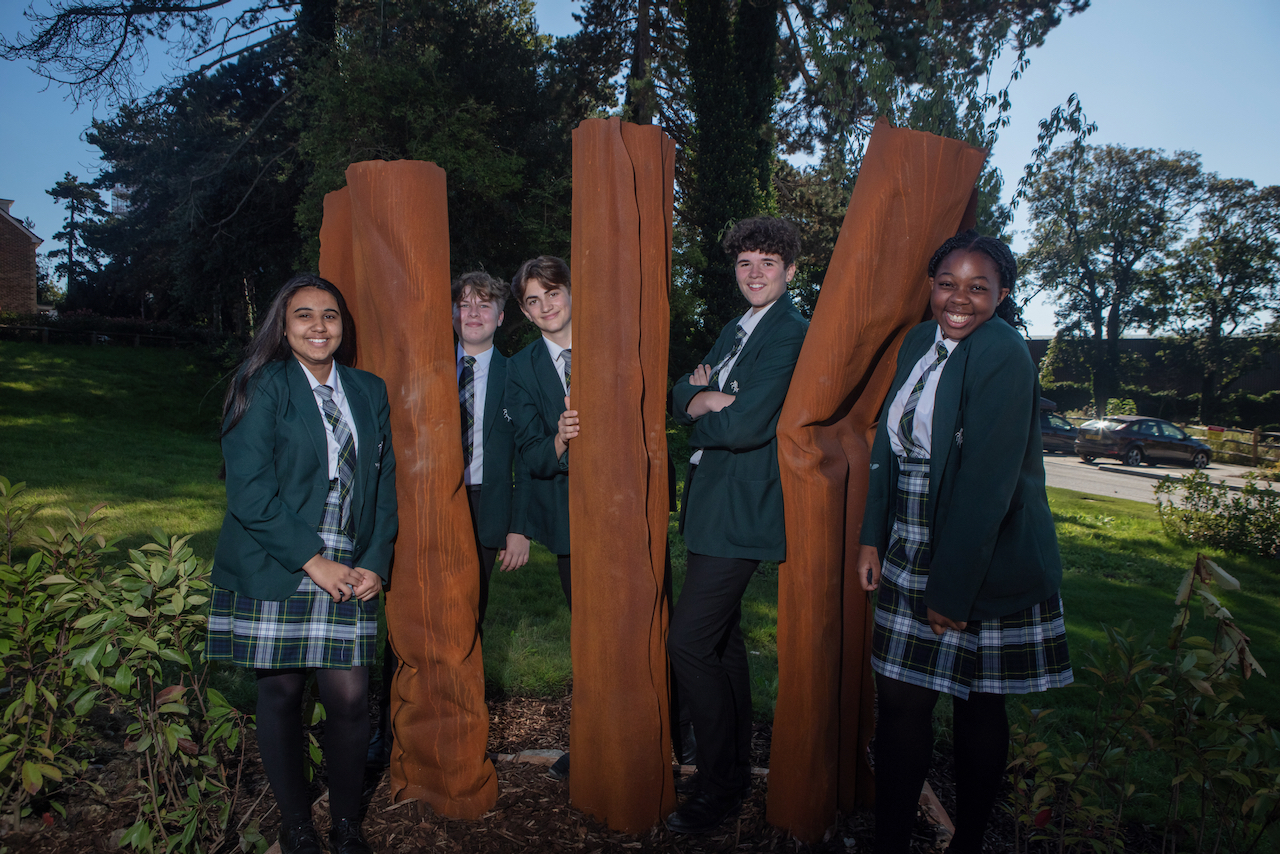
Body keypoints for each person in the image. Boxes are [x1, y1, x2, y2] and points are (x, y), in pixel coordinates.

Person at [856, 231, 1073, 853]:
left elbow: (986, 485)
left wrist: (950, 591)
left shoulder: (1004, 352)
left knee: (978, 702)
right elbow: (888, 445)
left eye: (979, 288)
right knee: (901, 700)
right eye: (948, 284)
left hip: (983, 549)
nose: (960, 299)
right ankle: (890, 842)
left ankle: (968, 842)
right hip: (909, 532)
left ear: (1002, 295)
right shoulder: (918, 341)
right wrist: (872, 536)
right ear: (931, 286)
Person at [206, 274, 397, 854]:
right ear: (283, 327)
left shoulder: (368, 389)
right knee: (283, 694)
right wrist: (314, 562)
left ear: (343, 325)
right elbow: (249, 492)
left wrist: (374, 561)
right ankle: (295, 827)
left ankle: (346, 825)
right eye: (304, 315)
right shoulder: (261, 384)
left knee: (349, 697)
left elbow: (385, 484)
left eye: (330, 315)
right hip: (279, 556)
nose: (319, 326)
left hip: (350, 558)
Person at [667, 217, 809, 834]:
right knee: (720, 644)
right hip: (710, 504)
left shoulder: (790, 332)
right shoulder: (735, 328)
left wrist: (707, 404)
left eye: (768, 264)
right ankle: (732, 772)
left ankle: (719, 783)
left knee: (687, 642)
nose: (754, 273)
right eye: (745, 262)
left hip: (743, 507)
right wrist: (701, 398)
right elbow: (681, 391)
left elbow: (750, 424)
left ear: (790, 271)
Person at [503, 254, 577, 780]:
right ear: (526, 313)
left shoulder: (611, 340)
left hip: (629, 508)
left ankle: (675, 726)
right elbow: (529, 451)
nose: (546, 305)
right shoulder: (520, 368)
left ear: (571, 293)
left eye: (553, 292)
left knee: (653, 618)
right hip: (570, 516)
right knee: (590, 628)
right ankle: (595, 732)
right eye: (534, 300)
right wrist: (560, 438)